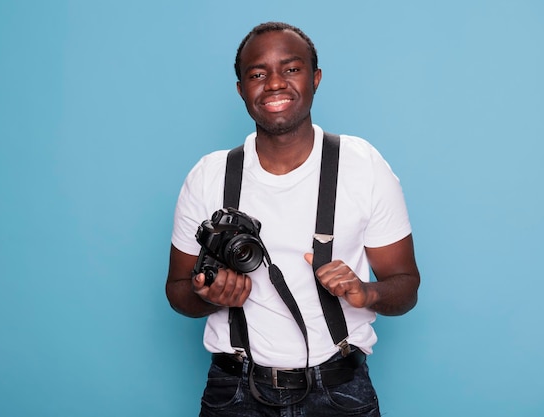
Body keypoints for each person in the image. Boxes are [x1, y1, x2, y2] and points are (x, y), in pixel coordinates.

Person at [166, 21, 420, 416]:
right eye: (257, 73)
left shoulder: (363, 165)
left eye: (291, 69)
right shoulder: (209, 175)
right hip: (234, 390)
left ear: (315, 79)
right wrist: (207, 295)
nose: (274, 83)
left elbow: (406, 286)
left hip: (340, 391)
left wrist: (365, 292)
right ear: (240, 90)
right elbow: (177, 290)